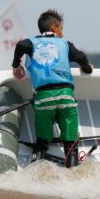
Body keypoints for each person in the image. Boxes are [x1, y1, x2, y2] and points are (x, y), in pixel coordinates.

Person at [12, 9, 93, 168]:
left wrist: (16, 66)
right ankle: (73, 174)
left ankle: (34, 173)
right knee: (70, 143)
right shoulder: (65, 44)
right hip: (66, 97)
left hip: (43, 99)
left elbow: (20, 44)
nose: (62, 32)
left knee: (42, 142)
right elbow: (80, 57)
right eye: (61, 28)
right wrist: (88, 68)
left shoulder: (31, 43)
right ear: (55, 27)